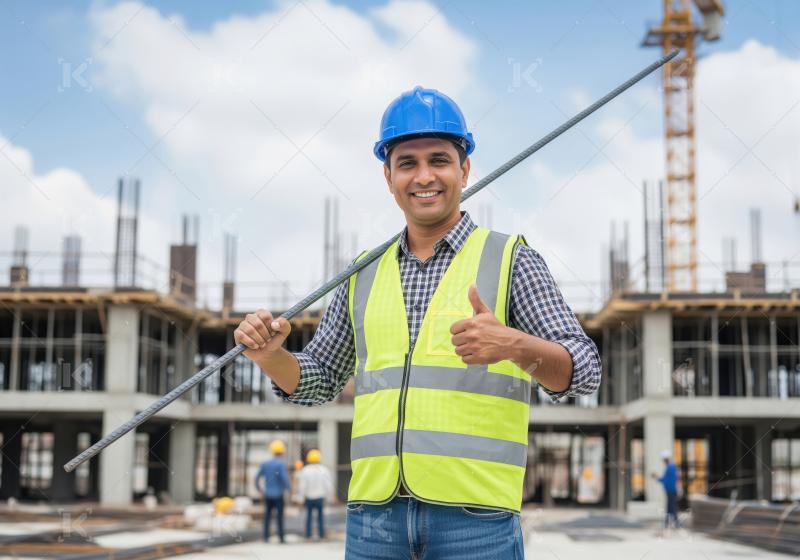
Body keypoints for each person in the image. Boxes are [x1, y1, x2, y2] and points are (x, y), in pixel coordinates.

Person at [235, 86, 602, 559]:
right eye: (407, 163)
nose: (424, 176)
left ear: (464, 168)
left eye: (439, 160)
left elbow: (585, 371)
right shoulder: (362, 272)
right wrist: (270, 357)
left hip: (476, 519)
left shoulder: (511, 259)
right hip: (374, 518)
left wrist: (514, 345)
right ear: (388, 176)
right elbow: (320, 381)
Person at [255, 439, 291, 543]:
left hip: (268, 494)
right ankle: (281, 538)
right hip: (278, 495)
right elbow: (284, 478)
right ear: (282, 452)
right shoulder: (281, 464)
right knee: (279, 517)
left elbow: (257, 477)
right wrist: (289, 489)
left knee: (267, 516)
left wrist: (259, 489)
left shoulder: (265, 464)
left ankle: (266, 537)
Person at [294, 448, 333, 540]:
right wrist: (330, 497)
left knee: (309, 517)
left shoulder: (305, 470)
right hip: (320, 497)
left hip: (309, 497)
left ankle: (308, 535)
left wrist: (300, 499)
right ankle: (321, 535)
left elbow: (302, 486)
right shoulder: (324, 470)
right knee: (320, 517)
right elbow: (328, 485)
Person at [652, 449, 680, 530]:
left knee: (672, 507)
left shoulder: (670, 467)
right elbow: (668, 479)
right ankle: (669, 523)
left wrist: (656, 478)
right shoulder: (672, 467)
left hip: (671, 491)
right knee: (670, 507)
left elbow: (666, 480)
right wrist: (657, 478)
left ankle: (673, 523)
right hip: (671, 490)